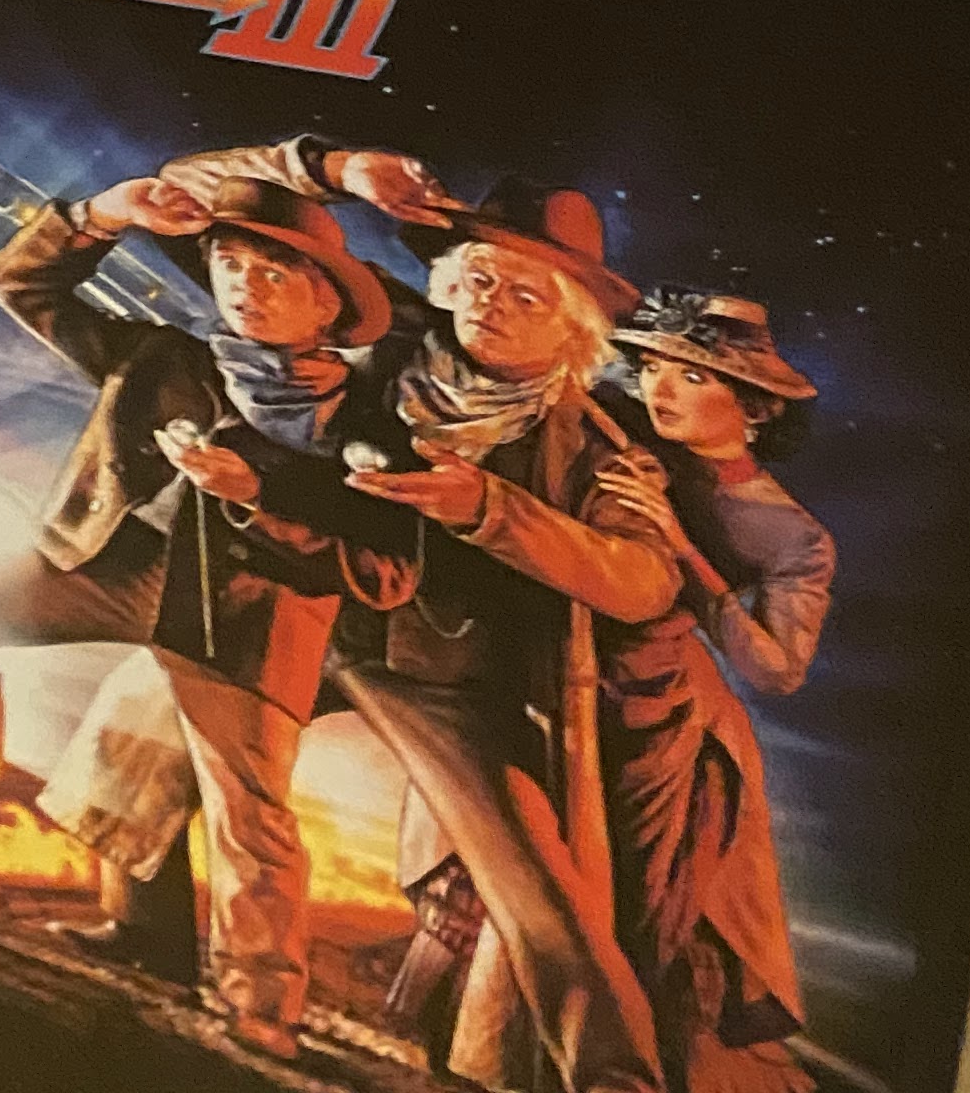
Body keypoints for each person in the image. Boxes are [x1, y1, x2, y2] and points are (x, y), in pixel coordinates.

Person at [155, 144, 680, 1093]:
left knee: (538, 895)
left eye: (525, 294)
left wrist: (489, 510)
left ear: (573, 324)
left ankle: (616, 1076)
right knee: (143, 714)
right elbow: (200, 192)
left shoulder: (598, 446)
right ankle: (157, 934)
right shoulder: (396, 354)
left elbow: (643, 581)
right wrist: (334, 166)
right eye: (478, 279)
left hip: (453, 682)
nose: (490, 304)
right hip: (321, 619)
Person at [0, 170, 414, 1054]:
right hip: (176, 606)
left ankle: (262, 1003)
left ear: (329, 303)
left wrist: (257, 497)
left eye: (275, 273)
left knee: (247, 815)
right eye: (230, 265)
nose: (245, 288)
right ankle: (147, 935)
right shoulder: (170, 362)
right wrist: (101, 215)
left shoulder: (363, 426)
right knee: (127, 755)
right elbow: (18, 283)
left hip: (275, 626)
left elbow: (385, 572)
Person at [595, 292, 835, 1093]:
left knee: (648, 915)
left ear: (755, 407)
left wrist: (679, 549)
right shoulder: (614, 434)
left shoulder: (793, 534)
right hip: (572, 662)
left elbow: (777, 669)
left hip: (673, 721)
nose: (659, 390)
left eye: (692, 375)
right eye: (652, 367)